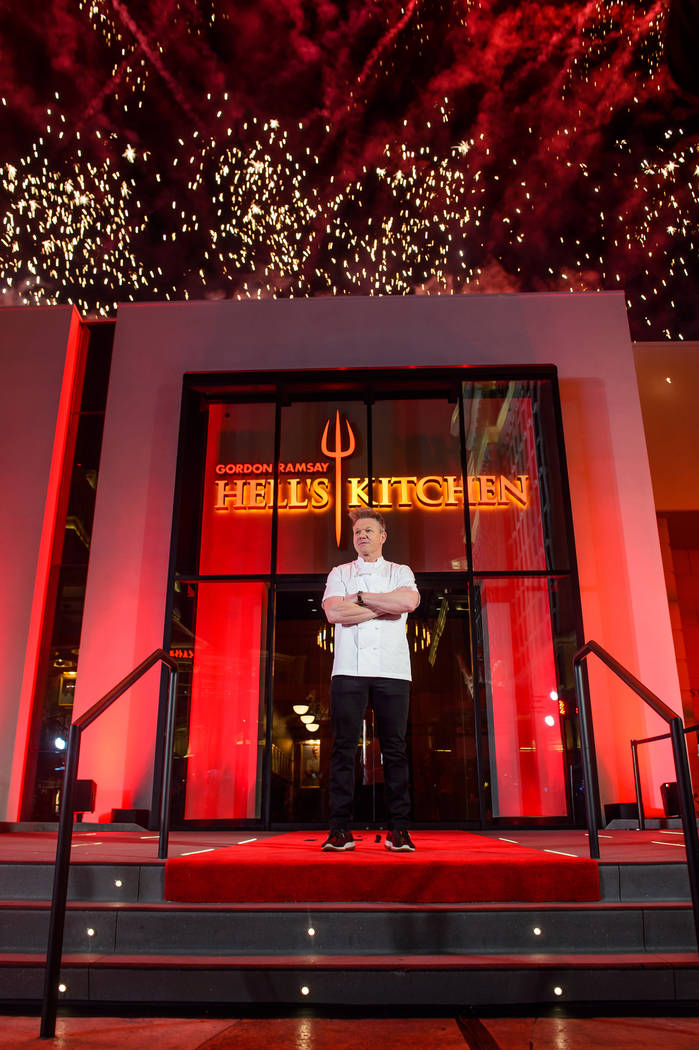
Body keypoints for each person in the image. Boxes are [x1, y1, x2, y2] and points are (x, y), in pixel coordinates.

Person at [321, 508, 420, 852]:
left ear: (382, 536)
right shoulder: (340, 572)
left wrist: (361, 599)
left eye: (368, 530)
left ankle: (399, 830)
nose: (361, 535)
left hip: (393, 669)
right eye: (357, 532)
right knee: (343, 748)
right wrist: (386, 607)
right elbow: (334, 612)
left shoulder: (400, 571)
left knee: (395, 749)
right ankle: (339, 829)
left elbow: (409, 601)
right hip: (348, 669)